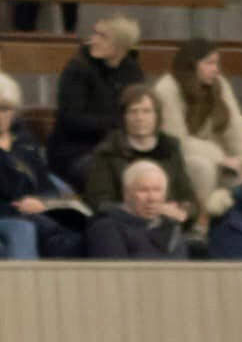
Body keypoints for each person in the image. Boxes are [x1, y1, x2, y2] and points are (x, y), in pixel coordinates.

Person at [150, 38, 242, 219]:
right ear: (191, 64)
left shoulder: (219, 84)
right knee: (202, 167)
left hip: (215, 155)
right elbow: (176, 141)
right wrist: (221, 158)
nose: (216, 69)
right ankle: (200, 223)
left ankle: (232, 226)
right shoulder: (167, 89)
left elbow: (235, 124)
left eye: (217, 63)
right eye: (209, 63)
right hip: (177, 158)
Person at [46, 14, 143, 188]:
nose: (93, 40)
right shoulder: (77, 69)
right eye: (95, 33)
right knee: (113, 171)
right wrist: (117, 124)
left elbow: (137, 107)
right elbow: (72, 119)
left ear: (121, 45)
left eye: (103, 36)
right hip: (77, 150)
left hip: (120, 146)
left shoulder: (132, 71)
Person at [82, 84, 198, 224]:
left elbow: (188, 197)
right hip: (125, 226)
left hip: (167, 225)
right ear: (123, 117)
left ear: (157, 116)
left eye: (147, 111)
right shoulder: (108, 152)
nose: (140, 118)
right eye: (133, 111)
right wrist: (146, 210)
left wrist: (183, 213)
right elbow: (100, 204)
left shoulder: (170, 148)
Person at [0, 73, 82, 259]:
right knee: (23, 229)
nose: (1, 115)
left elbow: (48, 188)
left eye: (6, 109)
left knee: (80, 229)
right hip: (9, 216)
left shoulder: (26, 148)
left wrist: (42, 203)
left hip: (36, 214)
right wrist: (18, 208)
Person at [84, 160, 187, 259]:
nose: (152, 198)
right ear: (126, 193)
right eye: (143, 190)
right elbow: (114, 275)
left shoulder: (172, 228)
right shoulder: (107, 229)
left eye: (157, 190)